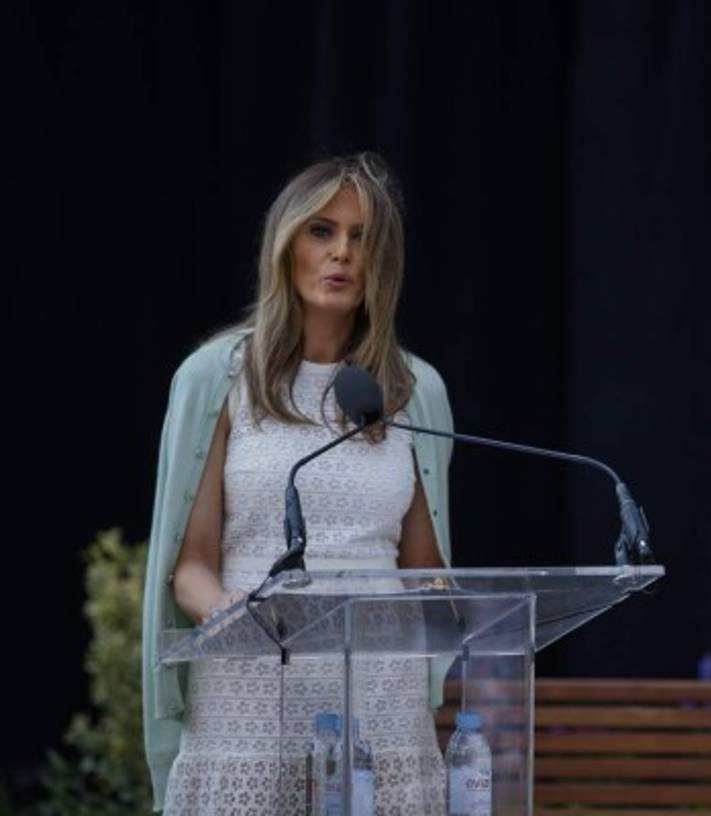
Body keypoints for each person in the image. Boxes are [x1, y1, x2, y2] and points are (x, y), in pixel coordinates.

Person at [140, 153, 453, 814]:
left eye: (362, 237)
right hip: (253, 680)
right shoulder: (215, 376)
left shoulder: (414, 390)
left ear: (383, 263)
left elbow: (425, 570)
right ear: (285, 245)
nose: (341, 252)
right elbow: (189, 565)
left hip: (381, 692)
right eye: (322, 231)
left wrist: (471, 609)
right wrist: (230, 614)